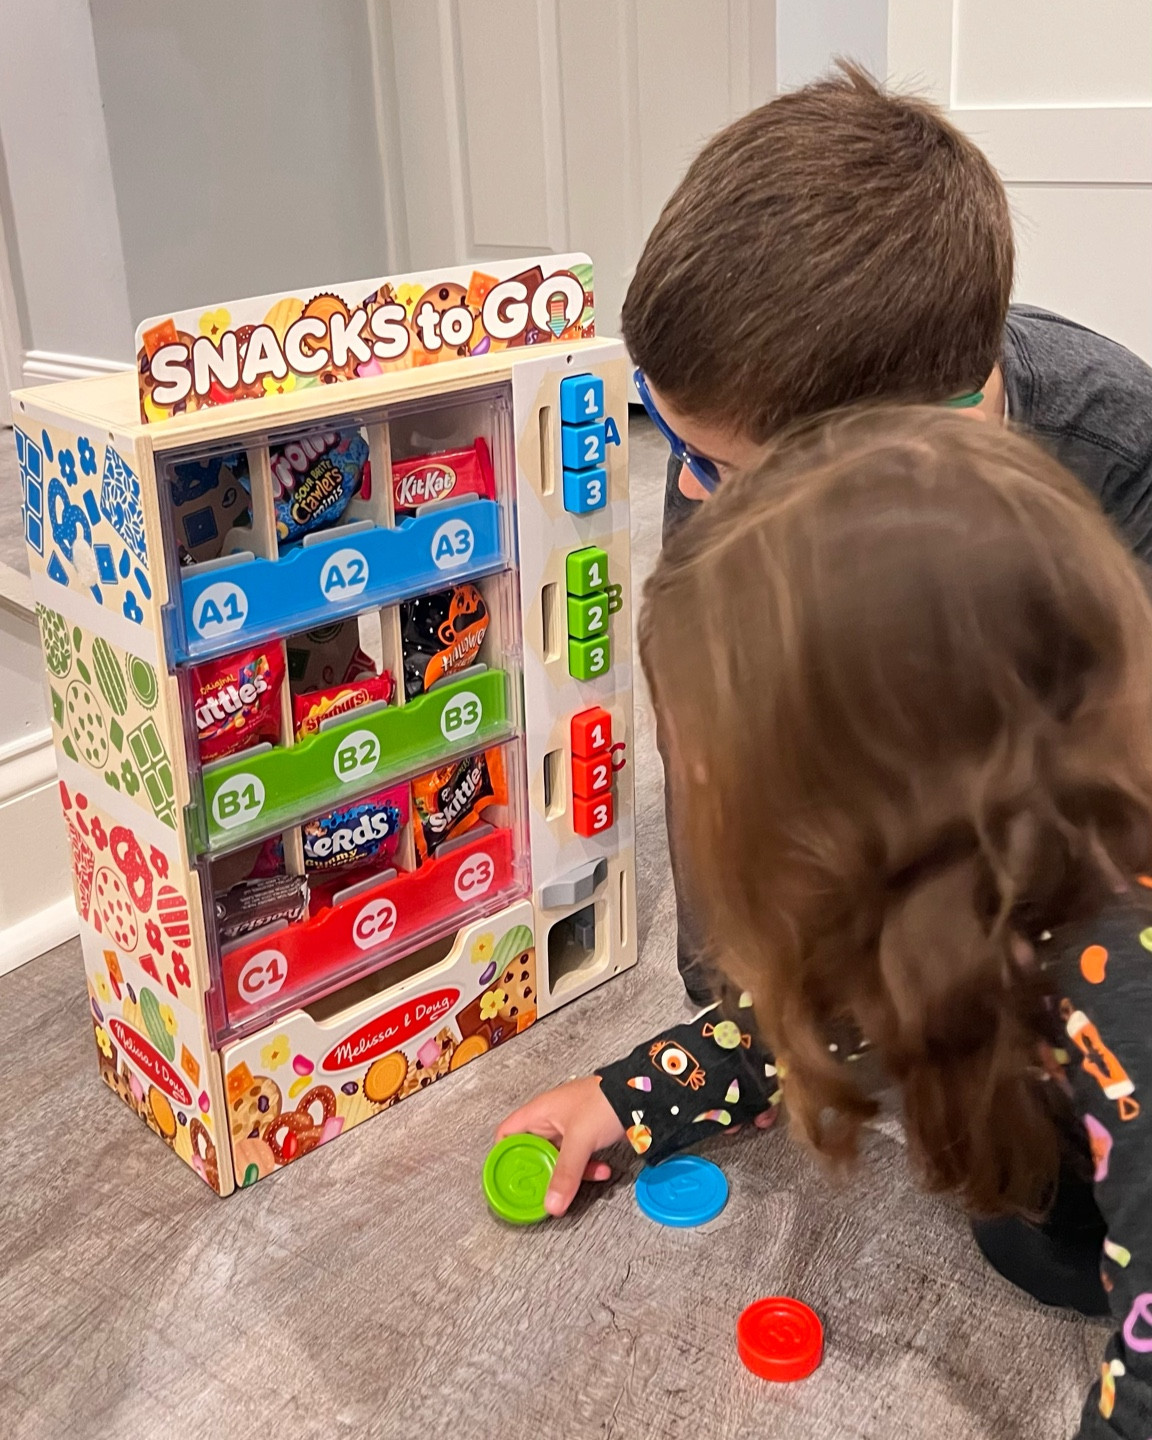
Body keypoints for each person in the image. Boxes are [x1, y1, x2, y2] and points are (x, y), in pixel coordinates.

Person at [499, 410, 1152, 1437]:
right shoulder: (973, 865)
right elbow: (833, 1001)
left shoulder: (1127, 986)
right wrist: (628, 1100)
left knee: (1041, 1234)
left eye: (734, 789)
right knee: (1018, 1219)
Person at [621, 63, 1152, 1004]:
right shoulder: (727, 453)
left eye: (729, 472)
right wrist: (742, 1000)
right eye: (677, 448)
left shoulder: (1118, 454)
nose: (695, 492)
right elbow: (715, 749)